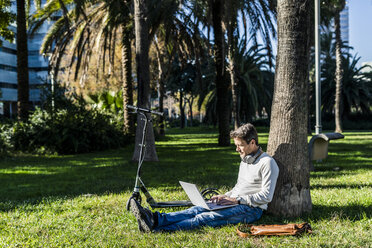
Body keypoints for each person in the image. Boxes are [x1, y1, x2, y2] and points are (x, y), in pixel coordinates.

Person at [130, 123, 279, 232]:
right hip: (235, 202)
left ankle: (158, 230)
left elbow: (267, 196)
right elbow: (240, 187)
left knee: (205, 218)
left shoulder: (267, 163)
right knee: (197, 209)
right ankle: (155, 219)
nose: (236, 149)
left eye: (239, 145)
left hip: (251, 209)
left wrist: (237, 200)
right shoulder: (245, 159)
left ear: (252, 143)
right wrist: (225, 196)